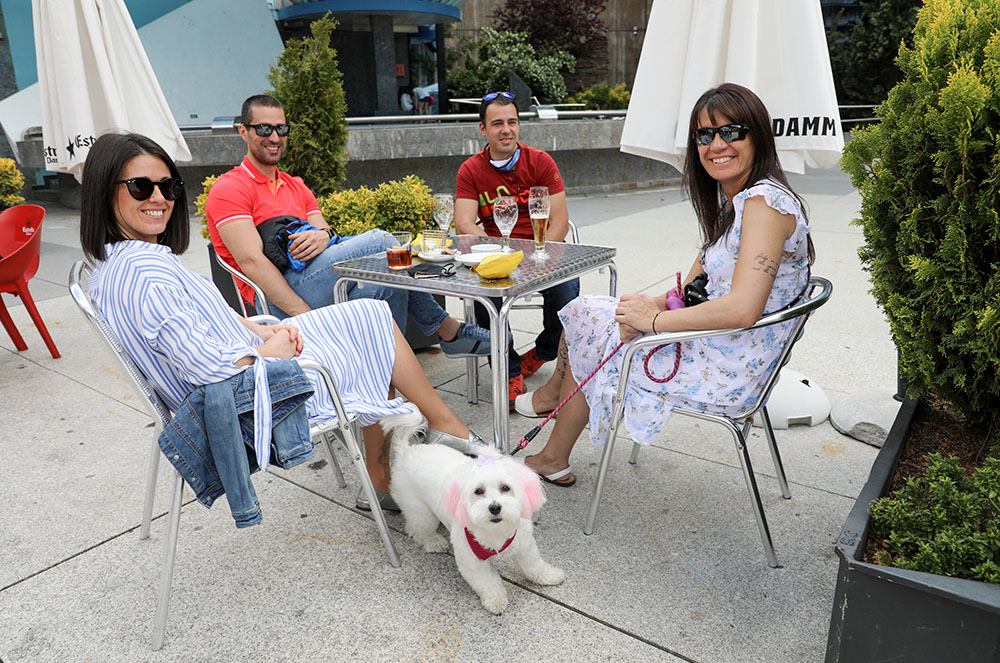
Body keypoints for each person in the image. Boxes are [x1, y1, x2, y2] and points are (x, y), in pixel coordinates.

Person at [81, 131, 487, 512]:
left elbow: (196, 323)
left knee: (370, 313)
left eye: (168, 186)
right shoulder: (146, 274)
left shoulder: (122, 261)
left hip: (244, 364)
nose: (159, 198)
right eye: (141, 187)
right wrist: (266, 350)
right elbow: (210, 369)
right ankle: (434, 434)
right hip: (247, 401)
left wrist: (257, 328)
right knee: (370, 326)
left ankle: (407, 456)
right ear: (104, 192)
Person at [519, 83, 814, 487]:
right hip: (718, 339)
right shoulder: (737, 203)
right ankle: (555, 414)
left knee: (598, 330)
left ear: (757, 136)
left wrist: (652, 323)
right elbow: (696, 282)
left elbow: (742, 309)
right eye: (705, 135)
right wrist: (641, 307)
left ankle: (553, 444)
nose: (716, 144)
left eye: (731, 132)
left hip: (729, 365)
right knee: (590, 311)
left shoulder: (764, 203)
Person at [205, 94, 489, 358]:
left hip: (313, 277)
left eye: (282, 128)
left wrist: (322, 235)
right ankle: (447, 330)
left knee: (393, 286)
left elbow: (327, 233)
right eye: (264, 129)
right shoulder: (230, 188)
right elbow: (251, 261)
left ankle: (384, 394)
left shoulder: (296, 186)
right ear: (244, 132)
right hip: (276, 300)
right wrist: (307, 317)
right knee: (382, 242)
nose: (275, 137)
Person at [454, 91, 579, 409]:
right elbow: (465, 224)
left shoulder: (539, 161)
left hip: (543, 250)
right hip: (496, 255)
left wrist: (542, 256)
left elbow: (560, 221)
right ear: (483, 129)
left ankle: (546, 350)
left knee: (567, 287)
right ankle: (508, 370)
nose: (506, 129)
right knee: (482, 293)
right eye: (497, 123)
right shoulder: (470, 170)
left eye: (512, 122)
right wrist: (498, 256)